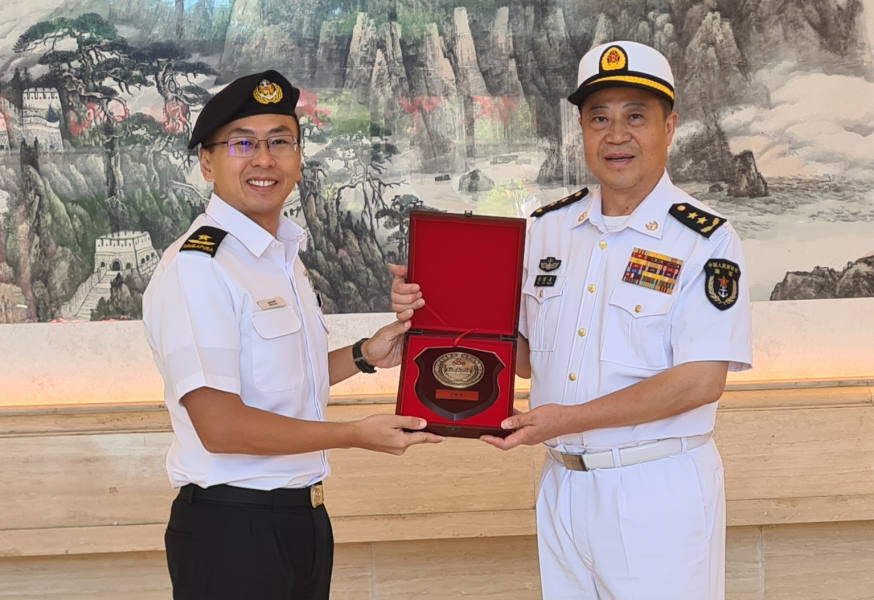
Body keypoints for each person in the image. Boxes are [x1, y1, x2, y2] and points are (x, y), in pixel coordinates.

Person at [392, 41, 752, 599]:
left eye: (636, 116)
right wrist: (434, 307)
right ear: (581, 129)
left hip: (655, 489)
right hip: (562, 482)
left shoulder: (704, 240)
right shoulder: (547, 230)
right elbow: (529, 355)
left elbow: (700, 382)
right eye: (599, 118)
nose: (616, 135)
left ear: (670, 127)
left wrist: (567, 419)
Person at [143, 70, 442, 600]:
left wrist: (365, 355)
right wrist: (354, 434)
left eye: (280, 141)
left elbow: (276, 381)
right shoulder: (201, 266)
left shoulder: (279, 257)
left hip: (300, 518)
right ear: (208, 162)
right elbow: (222, 426)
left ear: (299, 158)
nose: (264, 159)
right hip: (232, 528)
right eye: (243, 143)